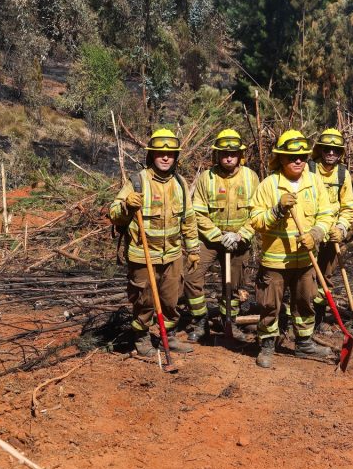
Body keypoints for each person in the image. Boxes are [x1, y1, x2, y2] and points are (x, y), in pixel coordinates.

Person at [249, 129, 336, 368]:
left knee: (305, 300)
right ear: (281, 158)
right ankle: (267, 344)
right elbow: (256, 221)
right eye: (291, 157)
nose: (298, 161)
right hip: (275, 261)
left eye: (302, 157)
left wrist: (316, 234)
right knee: (269, 305)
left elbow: (326, 214)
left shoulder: (314, 181)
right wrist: (277, 210)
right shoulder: (269, 185)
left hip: (305, 259)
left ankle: (304, 342)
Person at [109, 128, 200, 357]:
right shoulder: (138, 182)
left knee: (170, 301)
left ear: (176, 157)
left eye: (170, 154)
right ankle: (140, 338)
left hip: (172, 256)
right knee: (145, 301)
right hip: (143, 255)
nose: (165, 157)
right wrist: (127, 205)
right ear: (151, 155)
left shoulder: (179, 183)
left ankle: (167, 338)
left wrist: (193, 249)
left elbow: (188, 219)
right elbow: (114, 214)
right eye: (160, 153)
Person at [183, 129, 260, 342]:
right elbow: (197, 211)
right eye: (224, 153)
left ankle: (230, 322)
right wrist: (217, 235)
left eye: (233, 153)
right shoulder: (206, 178)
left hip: (239, 242)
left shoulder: (250, 177)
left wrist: (241, 235)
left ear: (240, 155)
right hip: (209, 240)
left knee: (234, 286)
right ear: (217, 155)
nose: (228, 157)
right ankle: (200, 322)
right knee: (190, 276)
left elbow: (258, 212)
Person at [308, 128, 353, 332]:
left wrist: (342, 227)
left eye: (335, 150)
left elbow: (348, 207)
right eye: (327, 149)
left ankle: (318, 318)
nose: (331, 153)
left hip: (331, 236)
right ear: (320, 150)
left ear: (340, 153)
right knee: (305, 277)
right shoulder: (309, 169)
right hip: (309, 233)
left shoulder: (343, 174)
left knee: (324, 278)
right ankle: (301, 317)